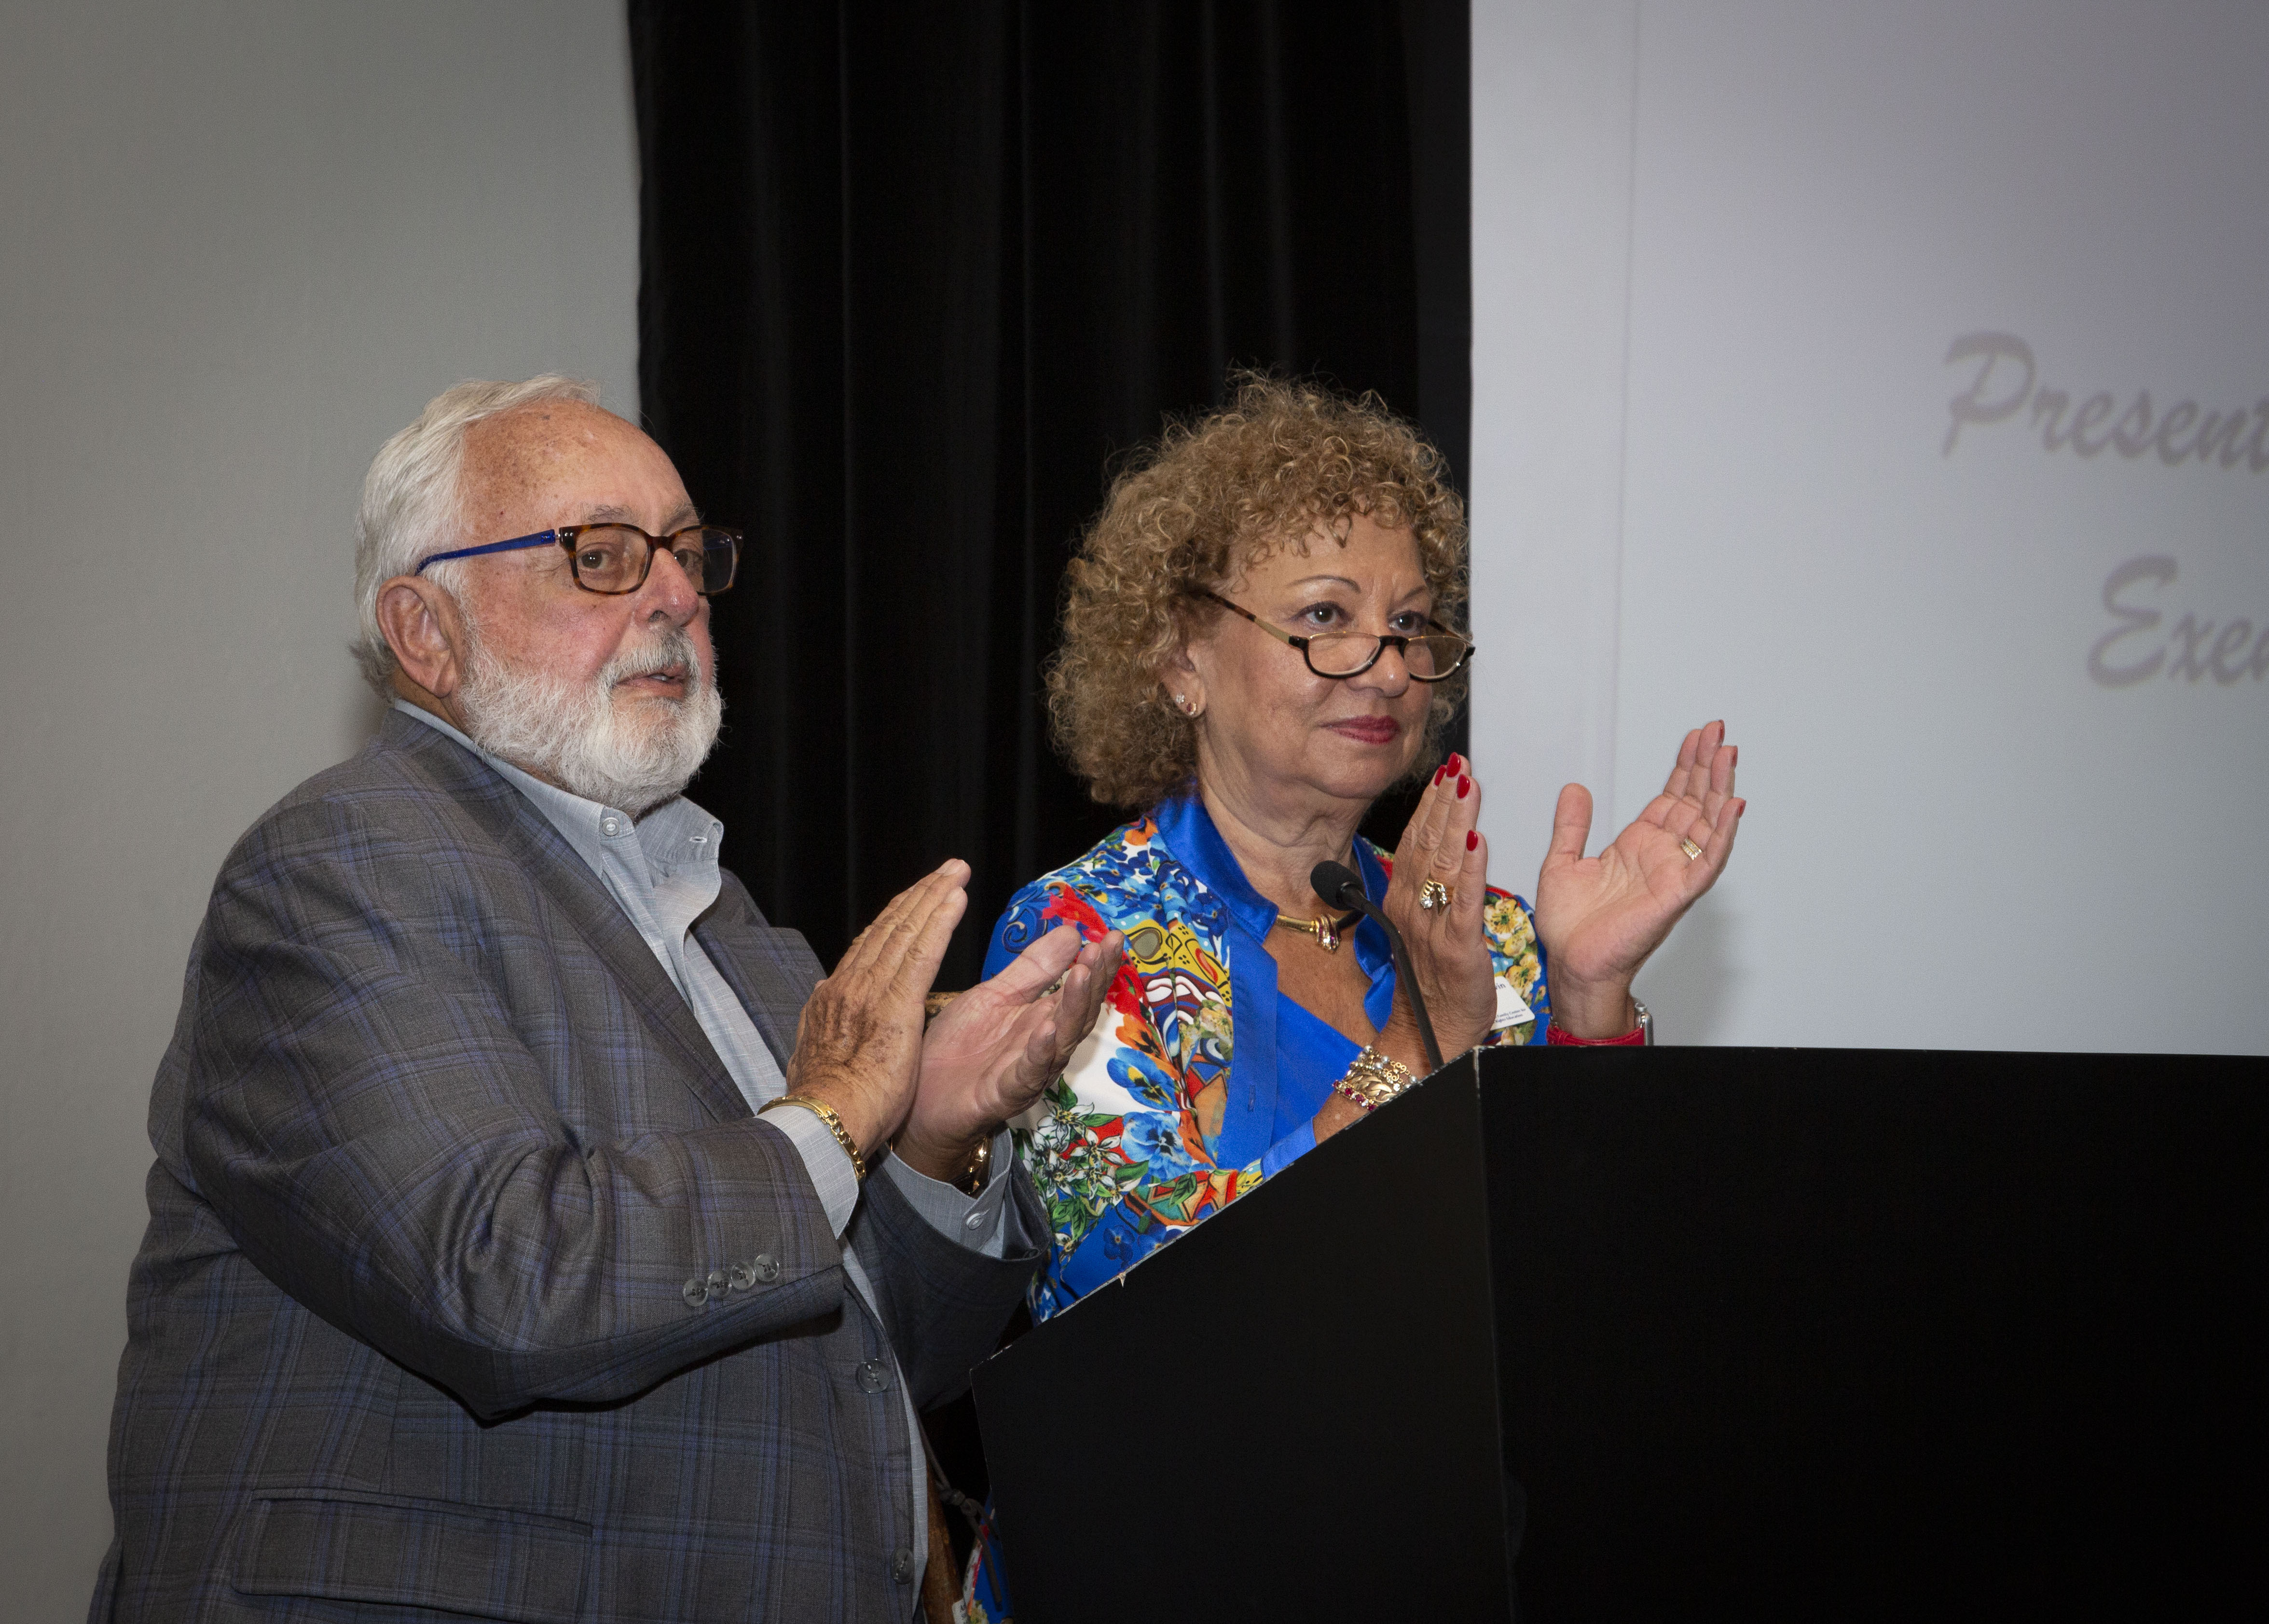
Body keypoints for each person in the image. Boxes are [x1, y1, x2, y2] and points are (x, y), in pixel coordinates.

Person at [90, 375, 1122, 1624]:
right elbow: (506, 1274)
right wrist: (841, 1112)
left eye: (689, 552)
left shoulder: (733, 924)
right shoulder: (339, 866)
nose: (676, 594)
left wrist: (933, 1142)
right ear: (426, 631)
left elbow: (875, 1362)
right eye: (602, 555)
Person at [961, 376, 1743, 1618]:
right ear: (1180, 657)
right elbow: (1158, 1308)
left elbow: (1598, 1293)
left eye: (1412, 626)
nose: (1386, 667)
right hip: (1162, 1562)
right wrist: (1415, 1045)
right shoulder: (1083, 939)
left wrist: (1591, 993)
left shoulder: (1484, 931)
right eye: (1327, 617)